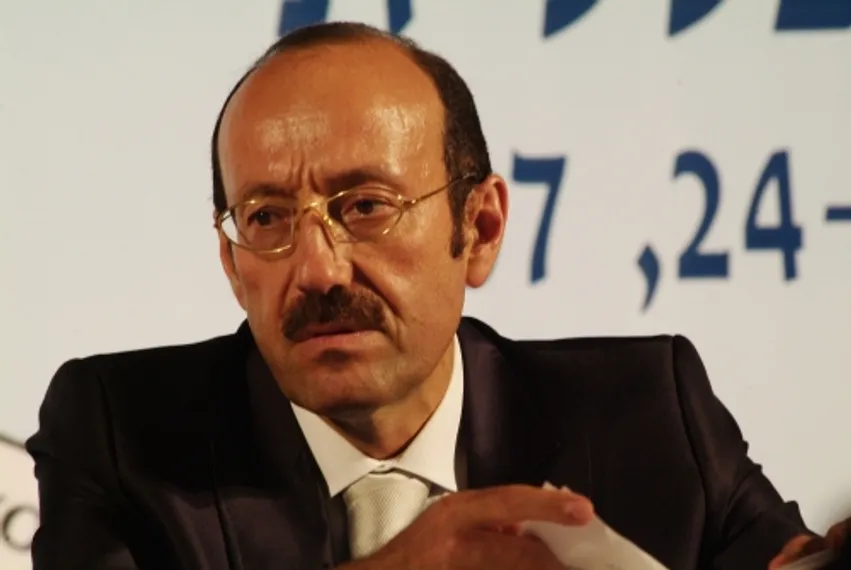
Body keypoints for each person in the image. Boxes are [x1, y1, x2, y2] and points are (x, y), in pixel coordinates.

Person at [25, 21, 848, 570]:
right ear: (232, 263)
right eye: (267, 217)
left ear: (479, 227)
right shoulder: (121, 432)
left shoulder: (645, 414)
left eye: (365, 207)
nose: (317, 271)